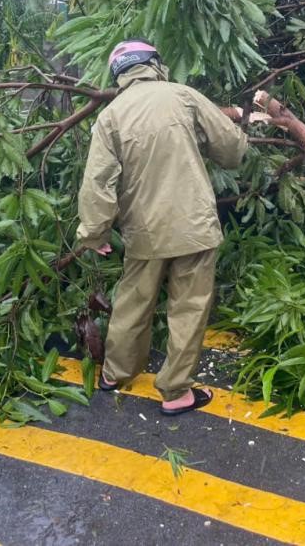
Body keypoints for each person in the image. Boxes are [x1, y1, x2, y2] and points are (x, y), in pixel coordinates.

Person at [76, 40, 254, 416]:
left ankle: (114, 374)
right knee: (188, 307)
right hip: (194, 226)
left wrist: (95, 233)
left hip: (143, 230)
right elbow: (232, 152)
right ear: (155, 64)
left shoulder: (111, 116)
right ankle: (175, 393)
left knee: (132, 301)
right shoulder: (184, 96)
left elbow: (97, 182)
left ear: (120, 75)